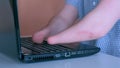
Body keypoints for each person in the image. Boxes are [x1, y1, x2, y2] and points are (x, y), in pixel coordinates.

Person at [32, 0, 120, 57]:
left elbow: (96, 27)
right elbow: (64, 18)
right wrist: (49, 30)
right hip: (91, 59)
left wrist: (55, 39)